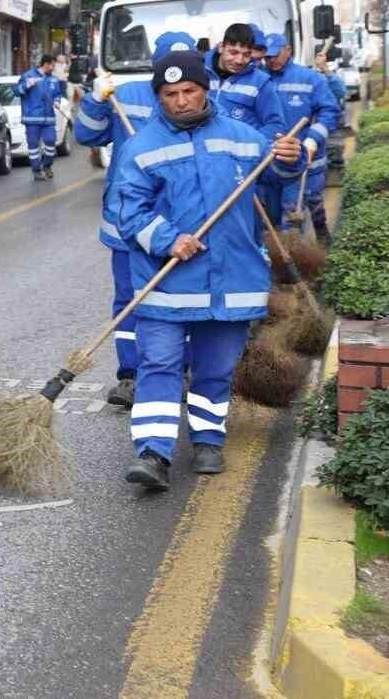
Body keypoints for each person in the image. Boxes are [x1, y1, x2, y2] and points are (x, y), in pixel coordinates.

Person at [113, 50, 303, 490]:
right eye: (170, 94)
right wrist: (168, 238)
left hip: (231, 283)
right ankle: (153, 453)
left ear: (206, 89)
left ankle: (207, 440)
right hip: (167, 285)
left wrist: (289, 159)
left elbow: (276, 177)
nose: (180, 101)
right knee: (158, 364)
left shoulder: (243, 138)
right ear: (159, 97)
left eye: (189, 91)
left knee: (216, 368)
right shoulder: (141, 148)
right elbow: (128, 211)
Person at [73, 29, 197, 408]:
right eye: (167, 67)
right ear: (155, 65)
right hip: (127, 226)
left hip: (182, 226)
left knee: (184, 299)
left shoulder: (199, 102)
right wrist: (95, 101)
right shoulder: (124, 97)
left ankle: (181, 370)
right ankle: (130, 376)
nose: (176, 78)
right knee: (129, 301)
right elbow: (87, 136)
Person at [266, 32, 339, 241]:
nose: (271, 60)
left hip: (309, 158)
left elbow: (330, 112)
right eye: (267, 57)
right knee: (289, 212)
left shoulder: (311, 79)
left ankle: (322, 234)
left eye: (276, 55)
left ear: (288, 50)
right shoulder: (261, 80)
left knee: (313, 199)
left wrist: (312, 139)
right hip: (275, 160)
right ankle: (292, 257)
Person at [16, 54, 65, 181]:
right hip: (32, 118)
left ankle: (47, 165)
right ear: (46, 64)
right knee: (33, 146)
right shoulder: (28, 76)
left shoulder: (54, 79)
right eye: (53, 65)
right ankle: (36, 171)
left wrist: (57, 101)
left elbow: (58, 94)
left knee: (50, 142)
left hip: (48, 118)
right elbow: (16, 91)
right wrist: (27, 85)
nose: (54, 68)